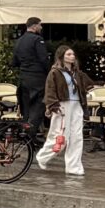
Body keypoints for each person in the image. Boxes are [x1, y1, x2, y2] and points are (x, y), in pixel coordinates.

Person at [35, 45, 88, 176]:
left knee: (77, 137)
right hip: (62, 106)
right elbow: (50, 90)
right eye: (68, 54)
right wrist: (53, 105)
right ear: (61, 56)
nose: (72, 56)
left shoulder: (77, 73)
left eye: (73, 54)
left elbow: (86, 85)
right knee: (60, 136)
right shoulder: (55, 72)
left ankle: (74, 166)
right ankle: (43, 156)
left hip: (77, 105)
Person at [13, 16, 51, 137]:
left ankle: (24, 133)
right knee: (38, 108)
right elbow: (43, 59)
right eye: (40, 25)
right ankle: (29, 135)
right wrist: (49, 72)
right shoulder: (37, 40)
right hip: (37, 78)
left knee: (26, 109)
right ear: (34, 26)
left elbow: (14, 62)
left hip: (24, 78)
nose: (41, 27)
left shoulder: (19, 41)